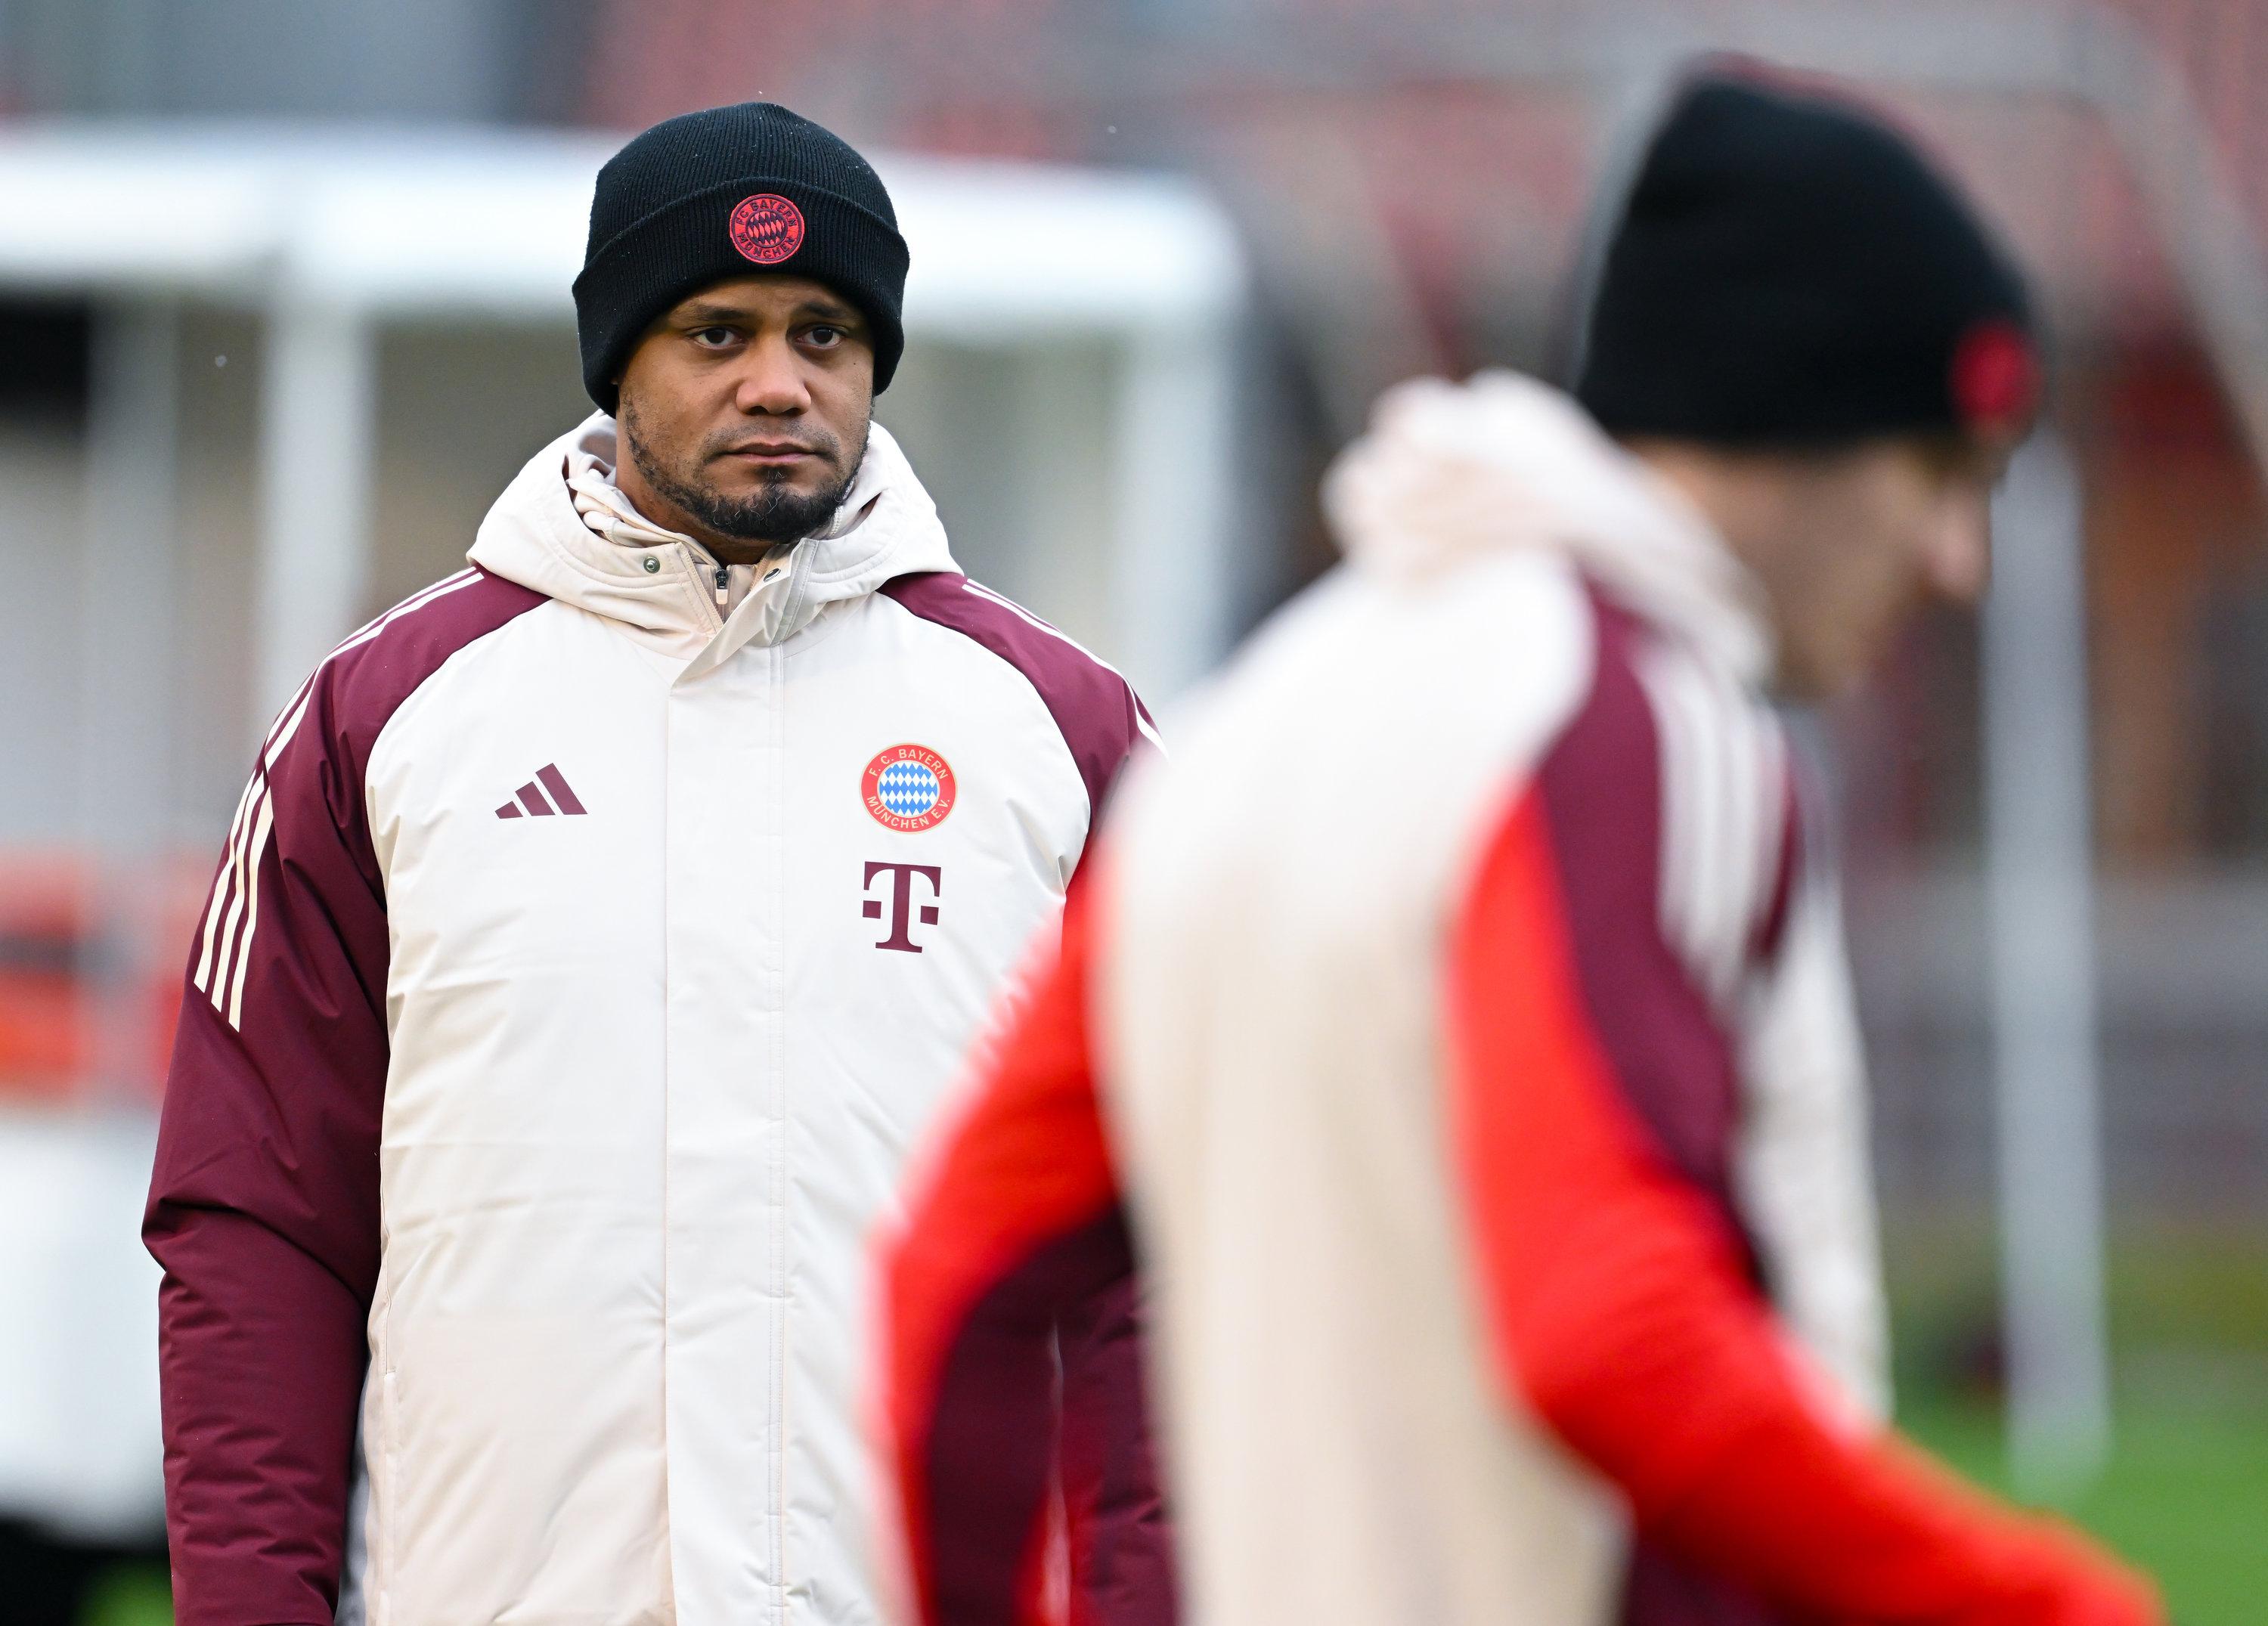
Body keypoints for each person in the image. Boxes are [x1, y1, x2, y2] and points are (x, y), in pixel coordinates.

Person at [878, 72, 2164, 1626]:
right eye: (1943, 471)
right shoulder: (1632, 714)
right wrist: (2034, 1599)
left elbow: (955, 1277)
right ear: (1799, 417)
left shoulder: (1238, 738)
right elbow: (1606, 1317)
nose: (1956, 560)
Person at [146, 101, 1173, 1626]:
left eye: (825, 333)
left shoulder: (1065, 736)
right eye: (717, 330)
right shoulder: (385, 721)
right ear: (617, 357)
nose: (779, 381)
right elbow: (258, 1225)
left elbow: (1165, 1264)